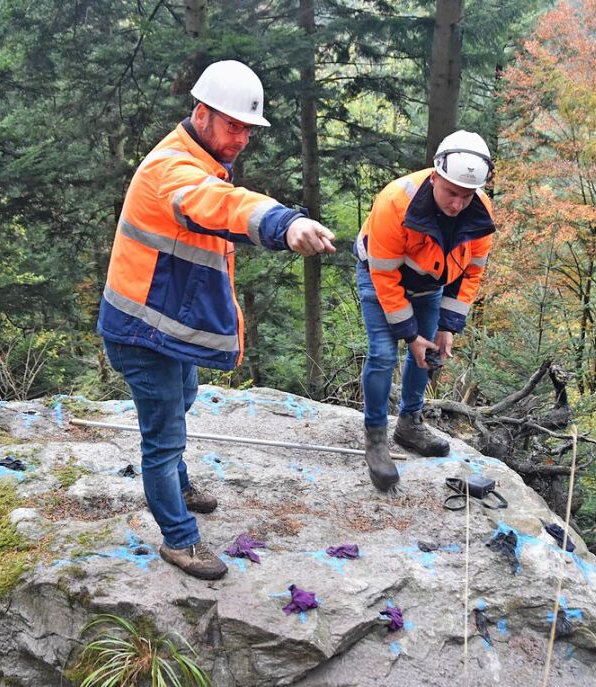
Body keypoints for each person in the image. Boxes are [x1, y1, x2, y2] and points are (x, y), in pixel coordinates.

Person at [97, 60, 336, 579]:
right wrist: (282, 222)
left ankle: (177, 486)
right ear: (202, 115)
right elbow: (216, 203)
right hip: (141, 331)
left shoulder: (197, 158)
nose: (244, 137)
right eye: (234, 125)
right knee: (163, 439)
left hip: (161, 326)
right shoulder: (174, 171)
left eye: (249, 128)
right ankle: (179, 541)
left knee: (180, 402)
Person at [355, 130, 496, 491]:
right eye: (451, 193)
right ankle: (375, 437)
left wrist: (447, 325)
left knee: (429, 354)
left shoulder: (479, 213)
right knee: (384, 354)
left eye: (467, 196)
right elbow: (385, 279)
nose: (457, 204)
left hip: (431, 283)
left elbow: (471, 272)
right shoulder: (395, 203)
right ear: (435, 176)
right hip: (382, 274)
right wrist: (409, 334)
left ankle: (410, 422)